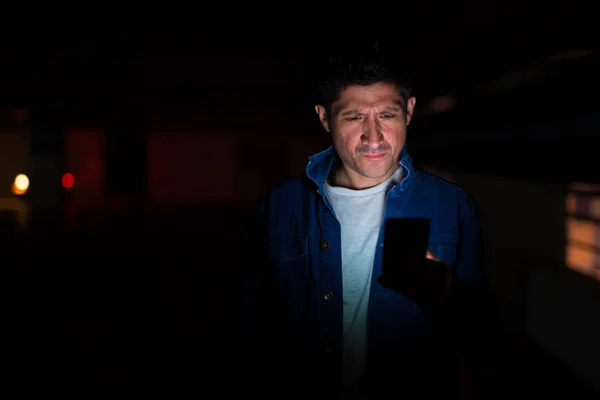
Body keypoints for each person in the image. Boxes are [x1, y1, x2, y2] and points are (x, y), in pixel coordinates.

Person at [237, 42, 484, 399]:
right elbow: (250, 328)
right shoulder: (280, 206)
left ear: (409, 111)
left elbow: (480, 332)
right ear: (324, 117)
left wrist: (446, 290)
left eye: (387, 115)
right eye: (354, 117)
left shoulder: (454, 206)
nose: (373, 137)